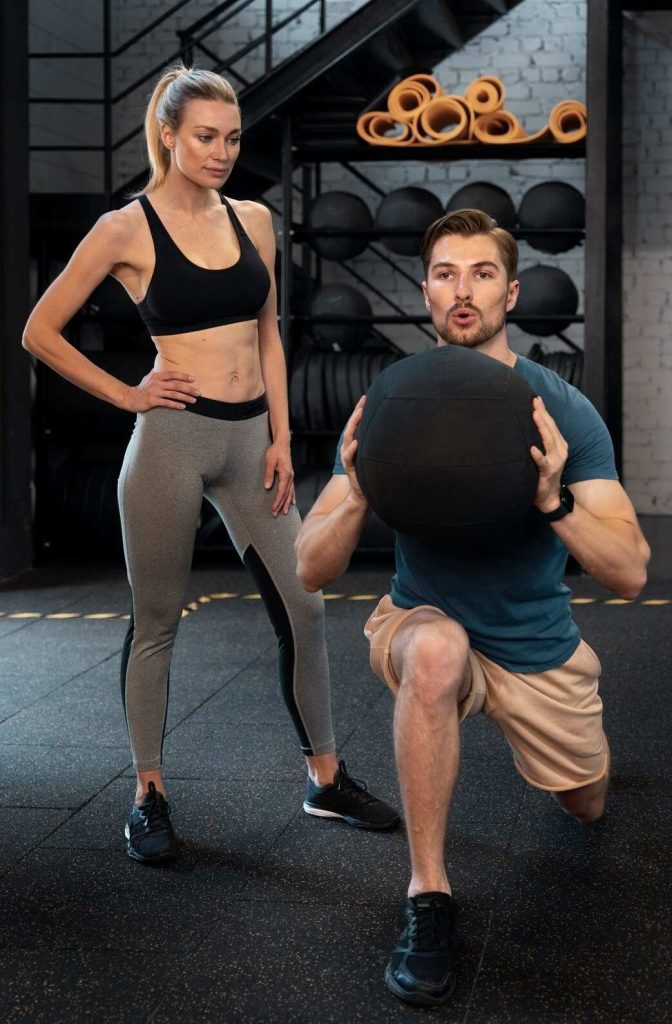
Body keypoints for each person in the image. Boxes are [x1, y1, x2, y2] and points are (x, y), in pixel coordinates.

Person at [22, 62, 399, 866]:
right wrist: (128, 396)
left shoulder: (253, 220)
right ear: (167, 134)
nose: (223, 150)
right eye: (205, 136)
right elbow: (38, 331)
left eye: (232, 137)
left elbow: (268, 333)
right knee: (158, 622)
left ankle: (324, 779)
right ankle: (147, 795)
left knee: (303, 607)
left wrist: (280, 436)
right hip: (172, 439)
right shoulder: (124, 229)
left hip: (249, 441)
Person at [295, 209, 650, 1007]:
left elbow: (628, 572)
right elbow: (311, 568)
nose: (463, 291)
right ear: (425, 291)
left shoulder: (560, 408)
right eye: (447, 273)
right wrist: (356, 488)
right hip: (425, 618)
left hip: (532, 638)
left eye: (481, 274)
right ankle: (428, 896)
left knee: (585, 805)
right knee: (433, 653)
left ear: (512, 291)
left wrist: (553, 502)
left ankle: (578, 770)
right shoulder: (392, 404)